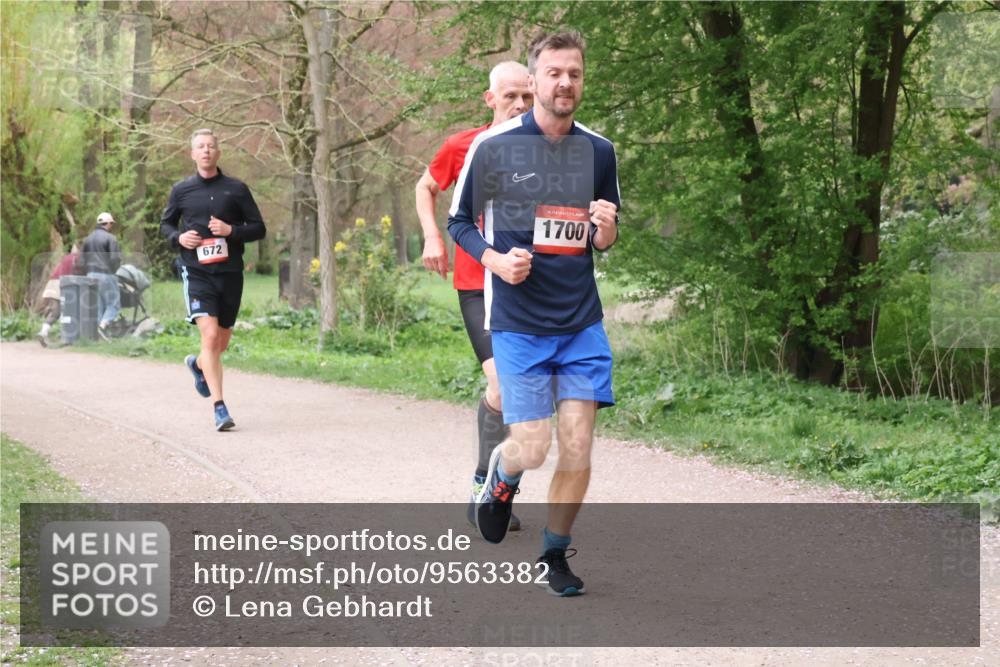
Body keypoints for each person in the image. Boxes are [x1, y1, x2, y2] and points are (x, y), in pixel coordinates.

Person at [448, 31, 620, 596]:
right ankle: (502, 473)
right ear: (535, 79)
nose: (564, 82)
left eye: (574, 73)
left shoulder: (598, 150)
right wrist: (494, 260)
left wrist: (607, 231)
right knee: (534, 446)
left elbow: (602, 237)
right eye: (554, 73)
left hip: (580, 323)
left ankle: (553, 554)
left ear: (582, 80)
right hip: (519, 324)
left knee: (577, 446)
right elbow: (459, 223)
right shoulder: (494, 147)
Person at [415, 61, 533, 531]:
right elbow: (425, 187)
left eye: (527, 96)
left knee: (523, 396)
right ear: (490, 100)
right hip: (477, 284)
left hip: (529, 289)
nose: (520, 105)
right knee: (503, 387)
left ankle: (496, 486)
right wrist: (431, 237)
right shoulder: (463, 145)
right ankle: (485, 484)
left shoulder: (548, 149)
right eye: (510, 97)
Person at [160, 128, 266, 431]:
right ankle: (220, 409)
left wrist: (231, 231)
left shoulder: (236, 189)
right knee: (208, 337)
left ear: (218, 153)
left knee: (220, 344)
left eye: (210, 146)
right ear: (192, 154)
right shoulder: (181, 190)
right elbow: (165, 225)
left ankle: (198, 365)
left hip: (230, 273)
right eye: (200, 147)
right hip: (196, 272)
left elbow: (259, 228)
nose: (206, 151)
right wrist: (180, 238)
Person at [81, 212, 122, 339]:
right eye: (111, 224)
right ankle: (102, 326)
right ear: (108, 223)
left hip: (90, 275)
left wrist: (88, 271)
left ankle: (97, 336)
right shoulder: (110, 238)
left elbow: (82, 260)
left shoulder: (87, 239)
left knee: (97, 305)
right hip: (106, 274)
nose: (112, 226)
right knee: (113, 304)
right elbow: (115, 258)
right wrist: (114, 271)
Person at [36, 247, 82, 346]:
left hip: (52, 283)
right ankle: (67, 336)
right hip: (64, 284)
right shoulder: (79, 258)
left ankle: (43, 332)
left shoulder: (66, 257)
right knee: (70, 310)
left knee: (55, 312)